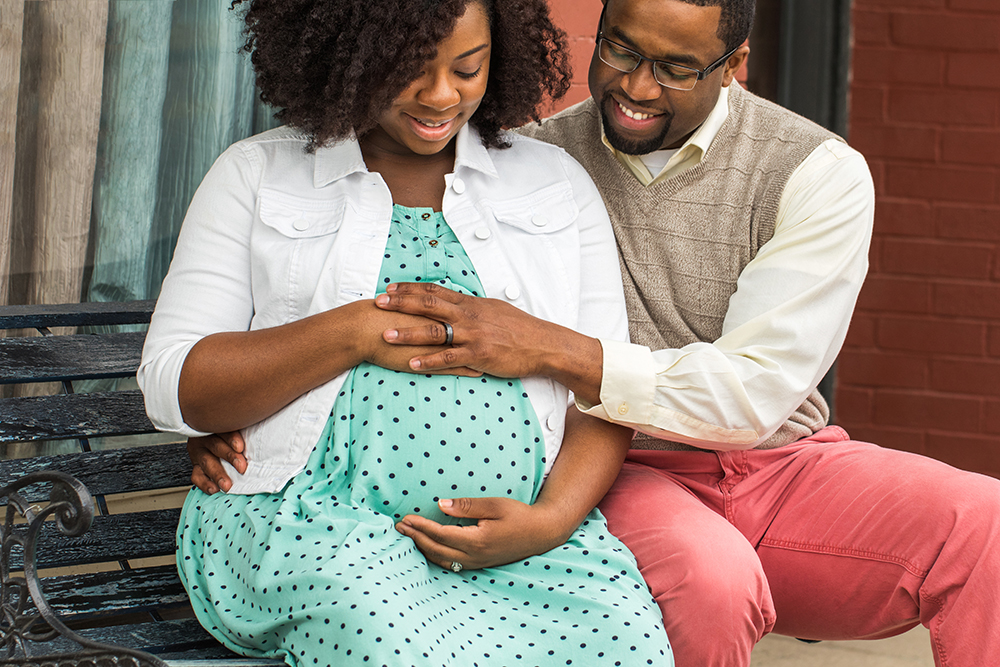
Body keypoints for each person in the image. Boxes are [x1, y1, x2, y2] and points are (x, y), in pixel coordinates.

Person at [190, 0, 1000, 665]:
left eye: (677, 67)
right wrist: (256, 412)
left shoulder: (813, 171)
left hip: (770, 457)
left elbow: (754, 396)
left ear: (737, 64)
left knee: (985, 527)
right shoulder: (527, 162)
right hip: (614, 461)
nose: (636, 86)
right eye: (619, 48)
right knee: (709, 581)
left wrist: (551, 349)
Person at [139, 0, 672, 665]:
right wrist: (356, 332)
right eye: (408, 69)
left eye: (467, 68)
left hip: (526, 544)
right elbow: (173, 387)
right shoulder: (255, 175)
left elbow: (603, 384)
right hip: (316, 531)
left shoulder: (555, 185)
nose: (441, 95)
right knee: (387, 636)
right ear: (346, 54)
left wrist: (551, 519)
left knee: (625, 635)